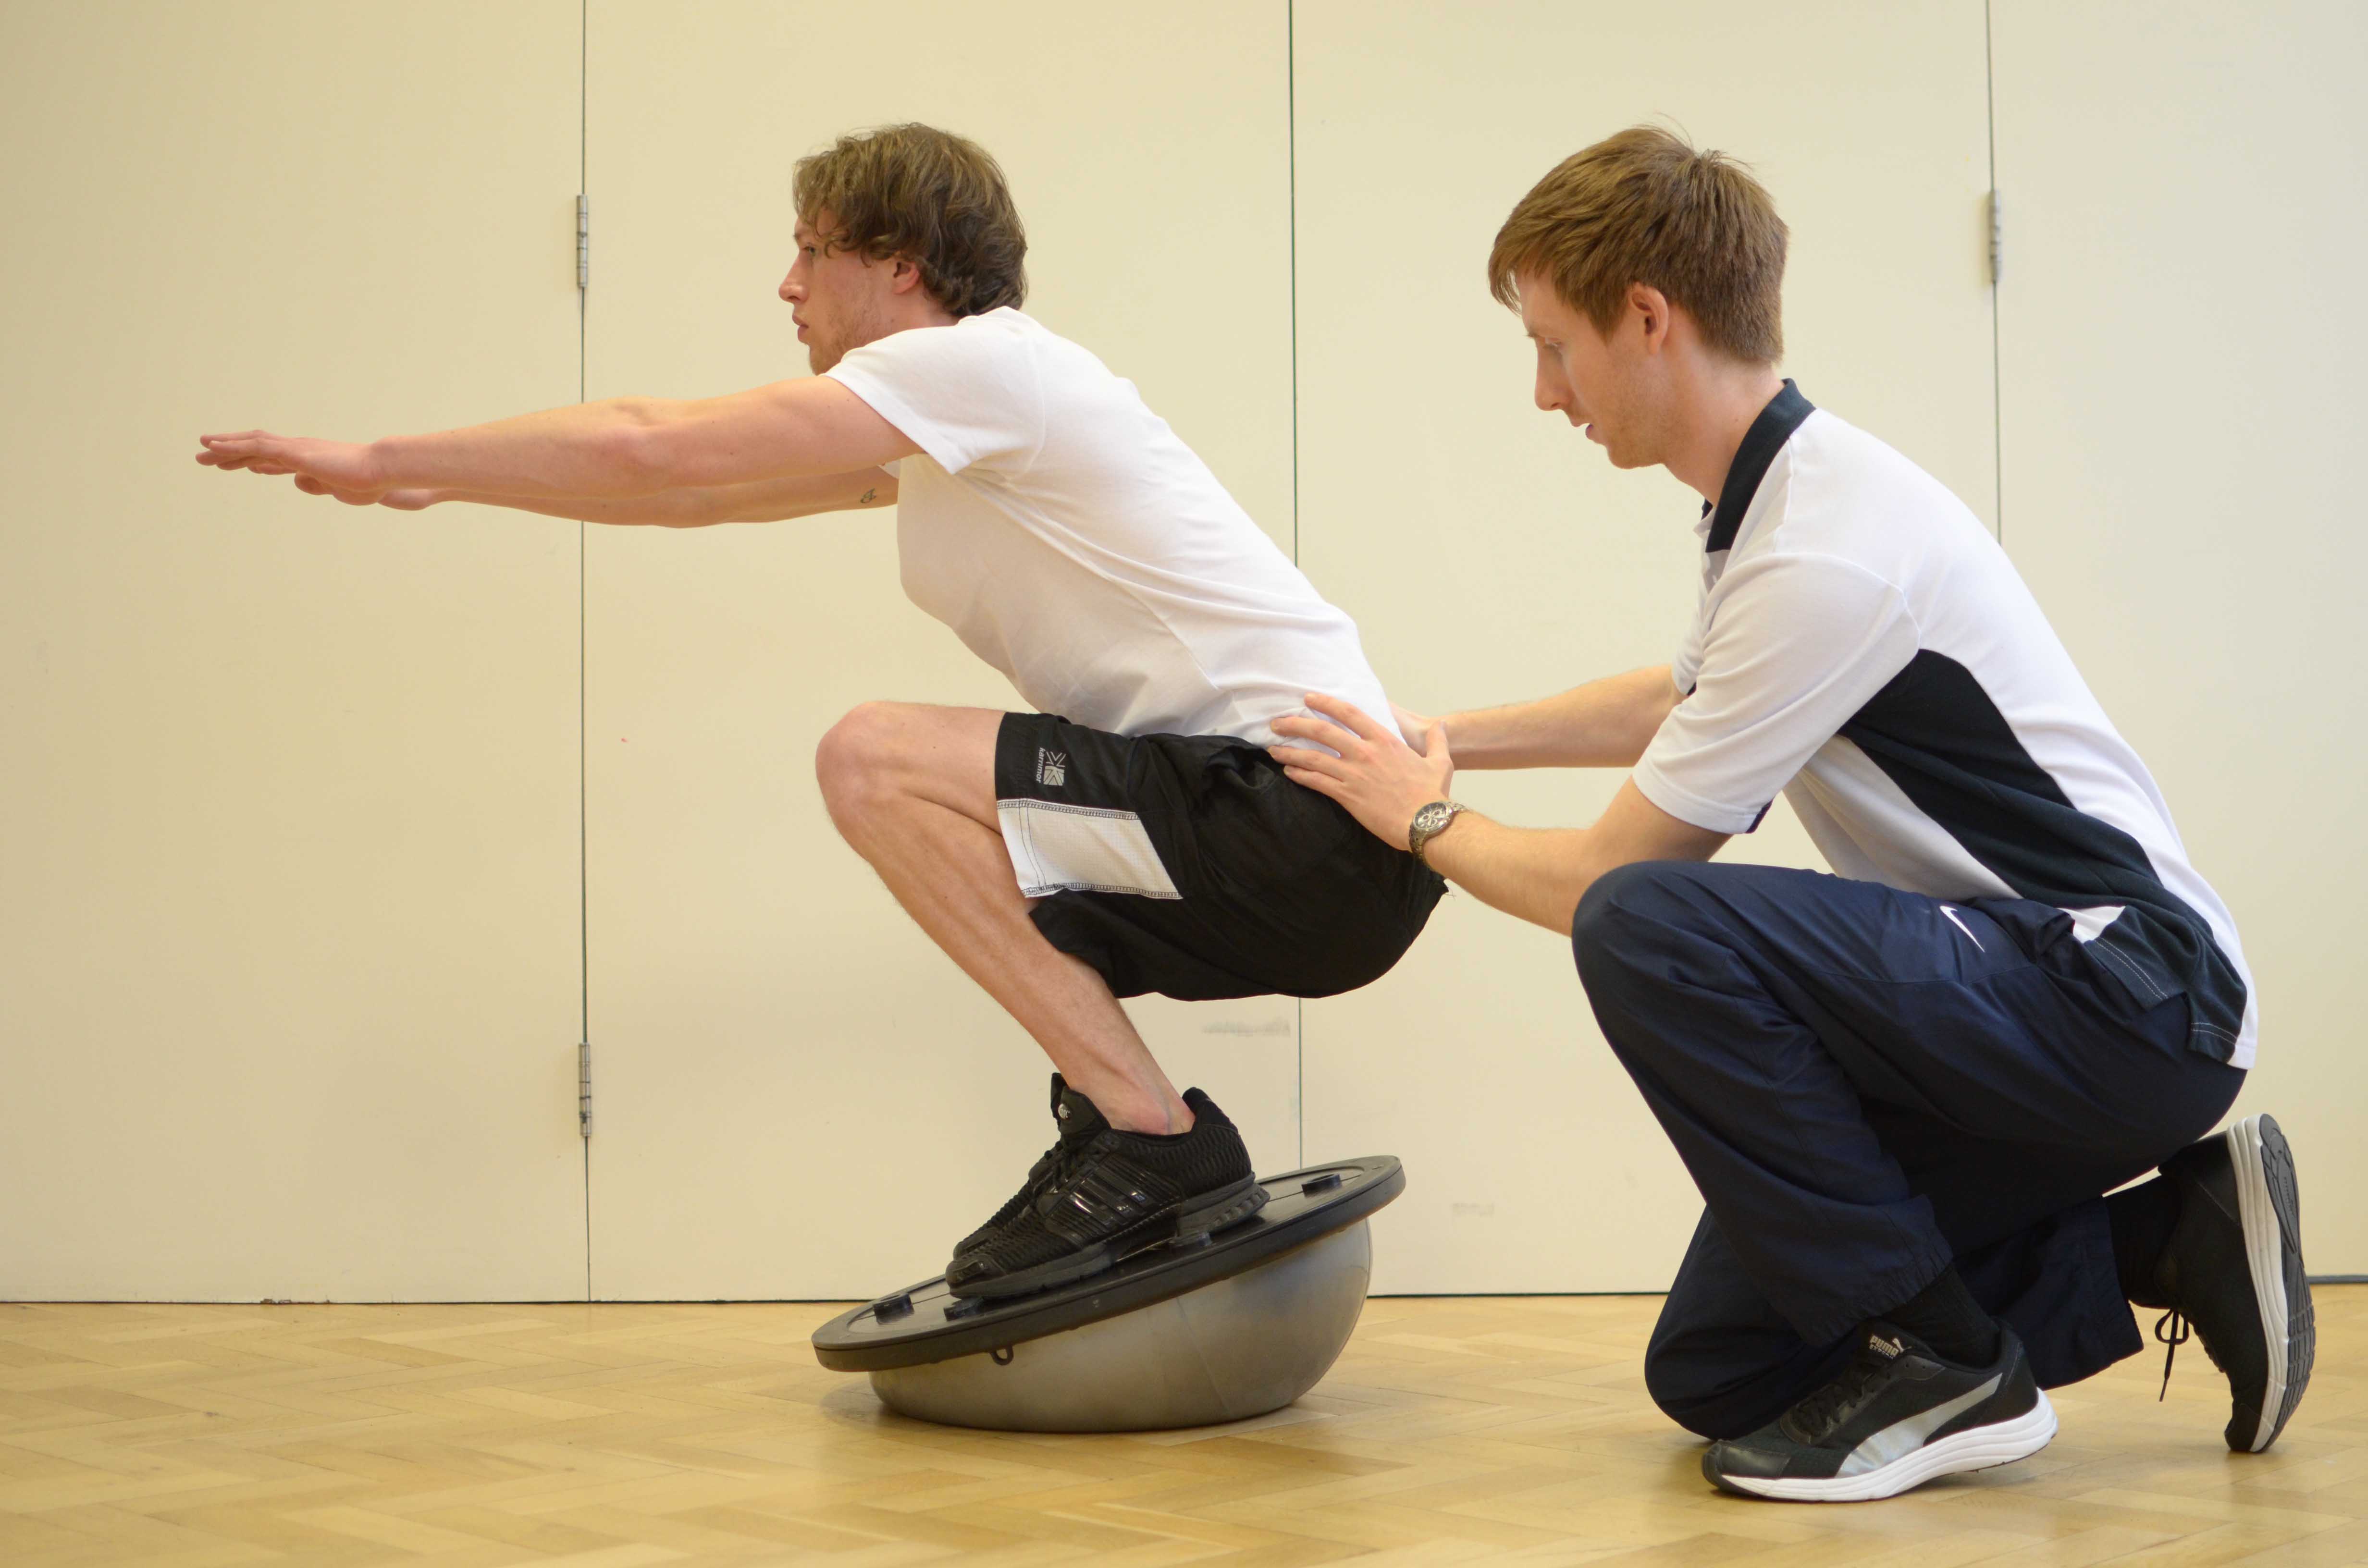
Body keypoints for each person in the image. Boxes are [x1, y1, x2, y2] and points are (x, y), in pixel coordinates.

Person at [196, 122, 1442, 1300]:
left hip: (1306, 823)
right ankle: (1128, 1125)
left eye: (811, 249)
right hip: (1306, 855)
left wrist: (392, 457)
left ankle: (1152, 1135)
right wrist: (457, 488)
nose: (786, 284)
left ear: (900, 265)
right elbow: (695, 499)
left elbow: (656, 446)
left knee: (875, 762)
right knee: (964, 853)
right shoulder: (955, 426)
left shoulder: (980, 366)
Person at [1271, 125, 2308, 1502]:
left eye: (1553, 347)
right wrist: (1449, 741)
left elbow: (1608, 882)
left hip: (2127, 995)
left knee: (1648, 925)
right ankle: (2178, 1238)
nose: (1543, 393)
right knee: (1725, 1367)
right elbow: (1684, 697)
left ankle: (1944, 1367)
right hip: (2026, 1003)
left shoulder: (1827, 545)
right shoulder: (1773, 512)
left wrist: (1421, 820)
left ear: (1649, 320)